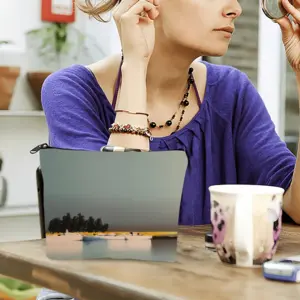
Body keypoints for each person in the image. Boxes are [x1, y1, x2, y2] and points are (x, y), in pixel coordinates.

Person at [37, 0, 300, 299]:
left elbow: (297, 206)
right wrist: (135, 65)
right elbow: (115, 239)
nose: (235, 9)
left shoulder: (233, 92)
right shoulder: (71, 90)